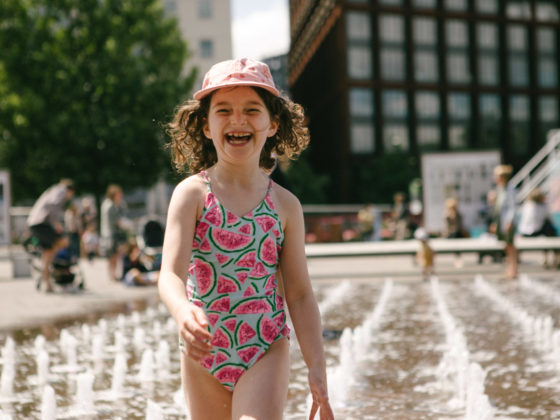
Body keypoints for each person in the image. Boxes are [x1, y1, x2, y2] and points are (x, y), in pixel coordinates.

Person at [159, 58, 334, 420]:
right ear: (205, 125)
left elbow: (299, 294)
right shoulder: (191, 194)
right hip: (203, 350)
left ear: (272, 124)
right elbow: (170, 275)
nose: (237, 120)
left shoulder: (285, 206)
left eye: (251, 110)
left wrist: (316, 365)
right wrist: (182, 311)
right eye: (223, 110)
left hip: (264, 346)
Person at [26, 179, 76, 292]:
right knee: (64, 241)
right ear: (70, 191)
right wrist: (56, 223)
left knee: (47, 253)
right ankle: (52, 261)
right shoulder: (61, 191)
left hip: (34, 223)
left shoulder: (53, 189)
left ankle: (47, 282)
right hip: (41, 223)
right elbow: (52, 206)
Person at [518, 187, 559, 267]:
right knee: (549, 229)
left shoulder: (526, 206)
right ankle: (554, 258)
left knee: (547, 231)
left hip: (524, 233)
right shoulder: (543, 207)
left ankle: (547, 259)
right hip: (536, 232)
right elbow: (551, 221)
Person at [489, 165, 518, 279]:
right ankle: (509, 268)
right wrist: (495, 223)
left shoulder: (511, 189)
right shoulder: (499, 189)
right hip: (501, 221)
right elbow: (497, 208)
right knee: (506, 246)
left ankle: (513, 269)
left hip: (507, 221)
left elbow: (512, 207)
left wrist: (510, 220)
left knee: (510, 245)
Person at [100, 184, 129, 281]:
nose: (120, 196)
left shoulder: (116, 204)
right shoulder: (109, 206)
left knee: (116, 255)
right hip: (110, 234)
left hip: (114, 233)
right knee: (112, 256)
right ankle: (112, 275)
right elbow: (116, 221)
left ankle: (114, 275)